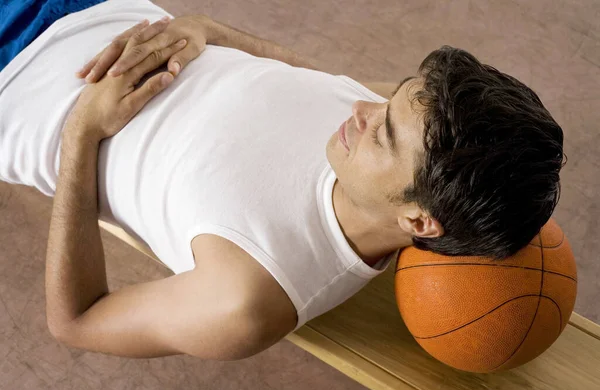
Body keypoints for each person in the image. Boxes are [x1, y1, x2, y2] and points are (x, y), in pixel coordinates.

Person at [0, 0, 565, 360]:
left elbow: (76, 322)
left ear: (417, 220)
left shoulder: (247, 301)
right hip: (97, 7)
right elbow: (289, 73)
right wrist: (206, 29)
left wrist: (82, 131)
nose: (365, 109)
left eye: (384, 131)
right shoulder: (394, 135)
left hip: (13, 79)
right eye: (391, 96)